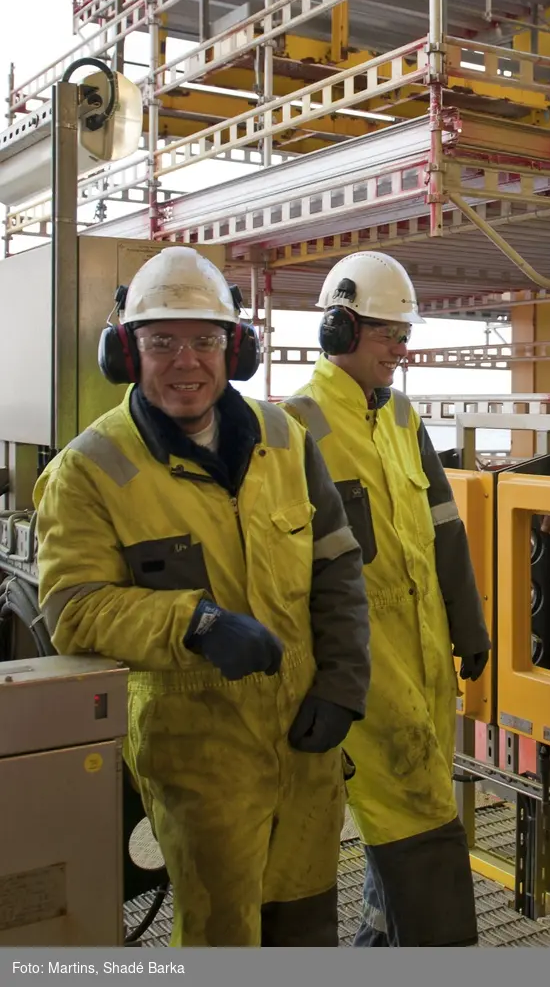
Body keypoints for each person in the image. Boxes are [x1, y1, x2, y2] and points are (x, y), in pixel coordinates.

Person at [34, 247, 371, 947]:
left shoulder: (287, 439)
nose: (186, 362)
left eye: (205, 341)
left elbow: (338, 568)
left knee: (306, 924)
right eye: (162, 342)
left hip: (305, 743)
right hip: (199, 757)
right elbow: (73, 608)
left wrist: (342, 682)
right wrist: (194, 620)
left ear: (235, 349)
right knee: (223, 932)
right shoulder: (90, 471)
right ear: (128, 353)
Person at [283, 251, 490, 947]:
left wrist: (470, 625)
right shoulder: (292, 427)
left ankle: (378, 949)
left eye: (404, 336)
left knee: (396, 843)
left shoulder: (402, 418)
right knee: (422, 837)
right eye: (386, 335)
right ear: (339, 331)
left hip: (426, 666)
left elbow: (443, 525)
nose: (400, 351)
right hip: (361, 679)